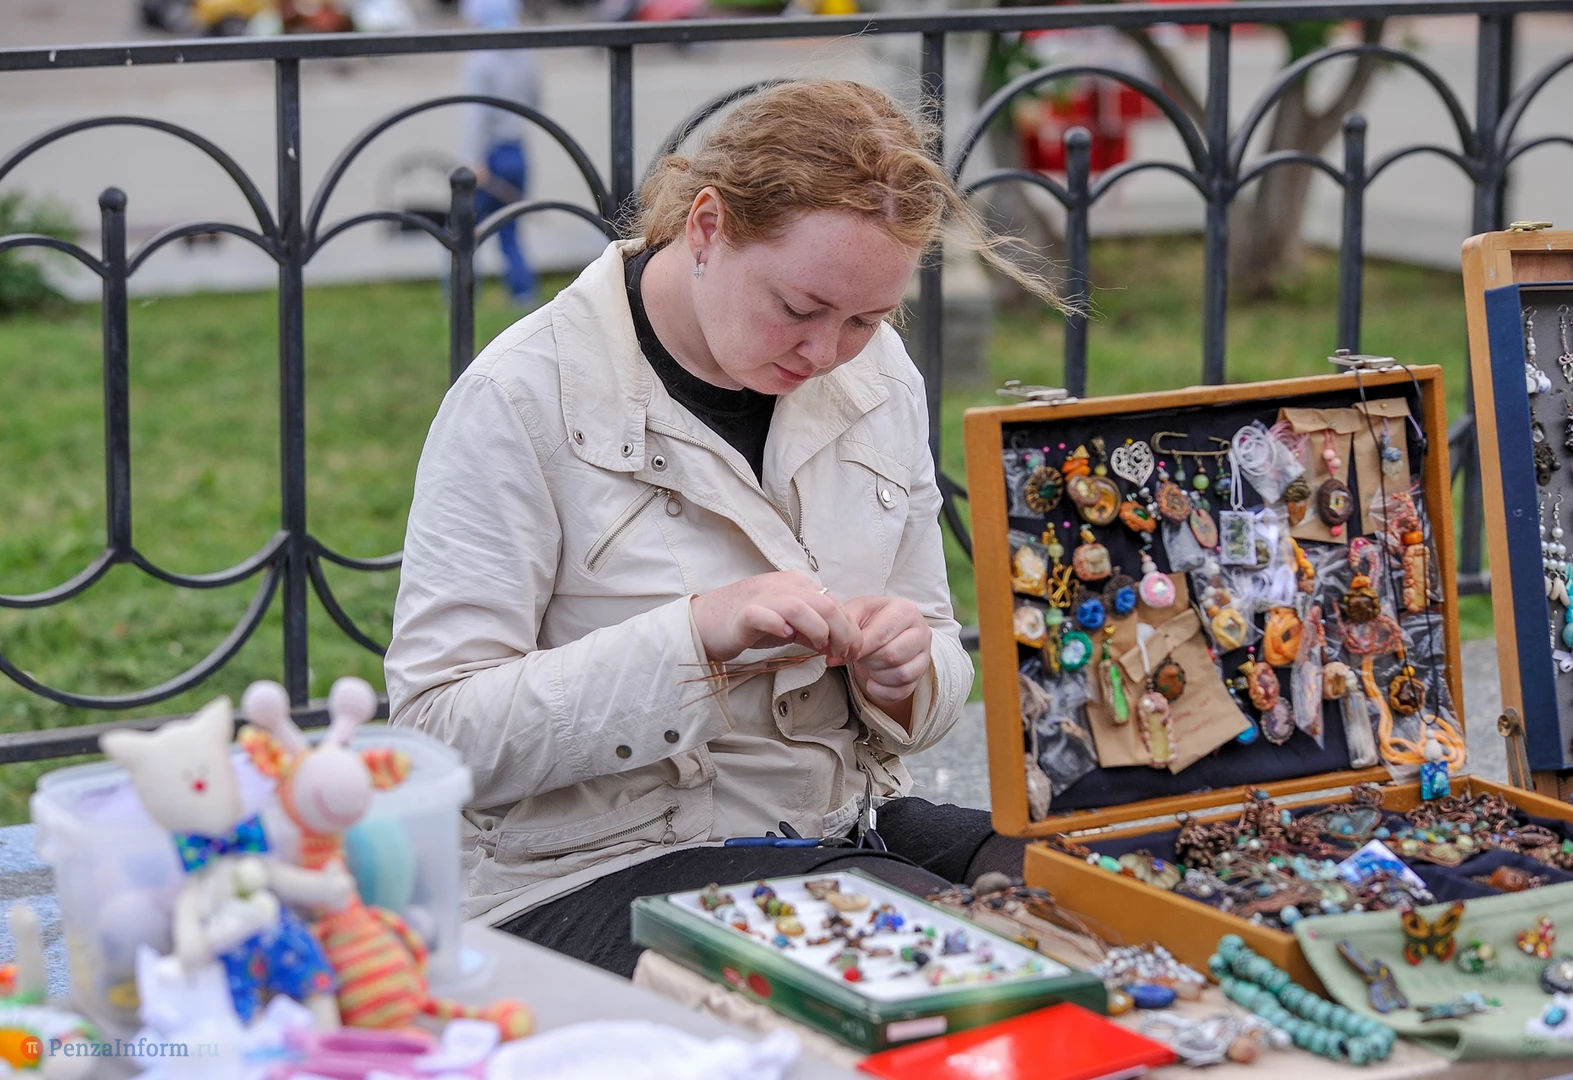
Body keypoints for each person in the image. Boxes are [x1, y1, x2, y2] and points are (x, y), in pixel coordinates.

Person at [385, 80, 1074, 978]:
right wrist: (693, 638)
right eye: (799, 308)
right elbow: (437, 735)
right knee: (963, 961)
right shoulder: (520, 397)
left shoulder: (878, 374)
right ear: (706, 227)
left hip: (837, 824)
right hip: (581, 871)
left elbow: (933, 661)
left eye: (865, 319)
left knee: (1092, 888)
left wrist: (907, 672)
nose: (824, 352)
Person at [460, 0, 540, 308]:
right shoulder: (525, 55)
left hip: (489, 154)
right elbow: (535, 100)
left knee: (462, 230)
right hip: (517, 152)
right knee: (511, 230)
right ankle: (523, 293)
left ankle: (461, 296)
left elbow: (475, 115)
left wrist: (473, 159)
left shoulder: (479, 60)